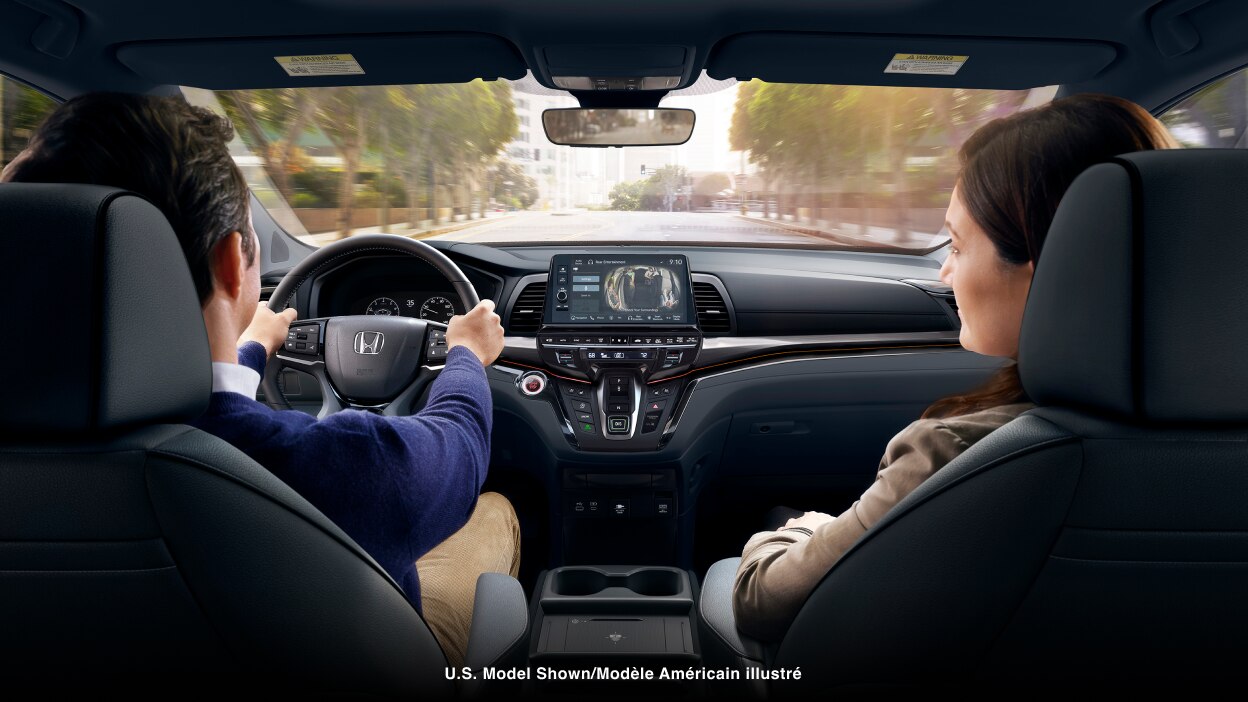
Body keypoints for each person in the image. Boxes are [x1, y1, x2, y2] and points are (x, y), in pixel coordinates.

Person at [1, 92, 518, 667]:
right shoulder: (345, 468)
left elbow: (207, 409)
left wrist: (250, 347)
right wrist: (466, 354)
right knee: (494, 510)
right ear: (231, 262)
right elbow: (457, 448)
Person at [731, 93, 1181, 642]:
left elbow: (760, 600)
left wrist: (795, 533)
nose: (944, 272)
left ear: (1052, 267)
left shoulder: (954, 452)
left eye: (960, 246)